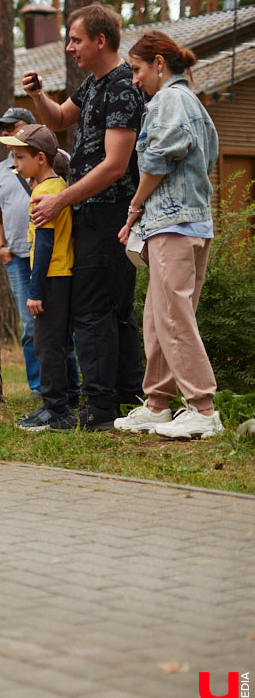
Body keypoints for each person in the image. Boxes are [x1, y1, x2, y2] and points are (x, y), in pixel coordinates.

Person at [25, 3, 146, 431]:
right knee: (111, 310)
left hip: (111, 211)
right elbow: (58, 119)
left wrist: (61, 201)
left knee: (95, 311)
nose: (70, 47)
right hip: (91, 214)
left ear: (100, 40)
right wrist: (39, 95)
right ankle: (128, 400)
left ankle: (100, 410)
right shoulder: (93, 84)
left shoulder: (122, 89)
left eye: (76, 40)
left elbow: (115, 165)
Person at [114, 32, 223, 440]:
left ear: (160, 63)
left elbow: (158, 160)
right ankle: (158, 405)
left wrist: (135, 206)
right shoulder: (186, 102)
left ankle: (203, 409)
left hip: (174, 224)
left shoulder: (169, 100)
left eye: (139, 70)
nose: (135, 80)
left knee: (174, 318)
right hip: (179, 223)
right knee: (159, 318)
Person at [0, 125, 77, 432]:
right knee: (59, 343)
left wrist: (35, 290)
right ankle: (69, 401)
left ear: (41, 158)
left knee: (47, 346)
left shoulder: (43, 194)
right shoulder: (56, 186)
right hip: (61, 276)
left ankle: (54, 408)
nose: (14, 163)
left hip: (50, 276)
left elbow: (43, 247)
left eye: (19, 157)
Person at [0, 107, 42, 397]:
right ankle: (37, 387)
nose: (7, 132)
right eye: (3, 128)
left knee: (61, 319)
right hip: (16, 257)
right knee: (29, 326)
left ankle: (69, 382)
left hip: (50, 253)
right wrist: (1, 245)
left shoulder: (56, 159)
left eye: (14, 126)